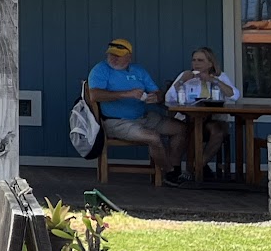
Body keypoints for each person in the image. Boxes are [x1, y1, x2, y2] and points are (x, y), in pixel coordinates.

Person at [87, 38, 186, 184]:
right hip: (116, 121)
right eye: (111, 54)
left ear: (129, 57)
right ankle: (169, 172)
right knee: (153, 138)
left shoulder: (139, 70)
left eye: (118, 55)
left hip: (143, 117)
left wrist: (155, 97)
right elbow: (94, 95)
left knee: (181, 128)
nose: (113, 58)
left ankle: (175, 168)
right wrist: (125, 94)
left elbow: (158, 93)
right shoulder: (100, 70)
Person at [165, 46, 240, 178]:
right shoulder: (186, 76)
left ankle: (199, 165)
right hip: (189, 119)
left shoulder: (220, 76)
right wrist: (182, 81)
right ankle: (178, 171)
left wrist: (214, 81)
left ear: (210, 63)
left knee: (218, 132)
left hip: (213, 119)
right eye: (194, 60)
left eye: (200, 60)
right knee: (185, 130)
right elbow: (168, 98)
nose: (196, 63)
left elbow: (235, 95)